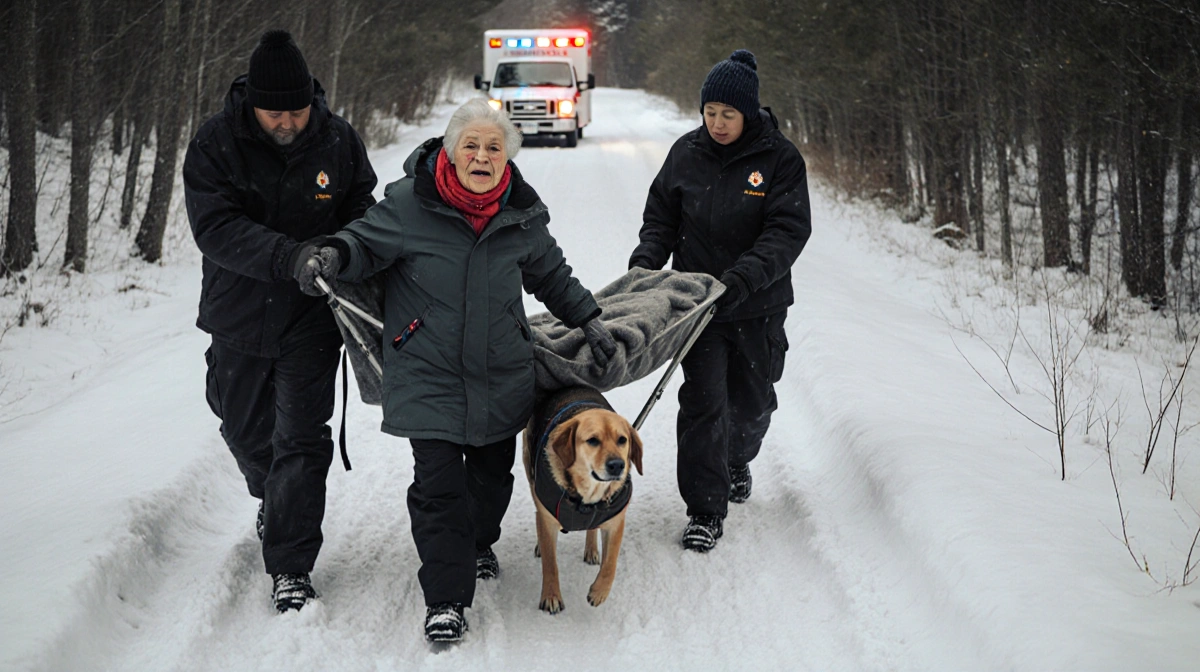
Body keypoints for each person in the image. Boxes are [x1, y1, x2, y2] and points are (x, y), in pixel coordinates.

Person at [294, 98, 617, 642]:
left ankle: (479, 541)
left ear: (507, 159)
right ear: (450, 150)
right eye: (471, 145)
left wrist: (589, 319)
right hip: (427, 372)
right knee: (438, 488)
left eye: (494, 148)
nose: (482, 156)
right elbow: (361, 244)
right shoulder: (407, 205)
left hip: (500, 373)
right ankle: (446, 599)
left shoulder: (521, 214)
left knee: (490, 482)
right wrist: (330, 256)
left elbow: (553, 276)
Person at [184, 30, 378, 612]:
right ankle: (272, 492)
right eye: (276, 112)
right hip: (238, 312)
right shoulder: (216, 143)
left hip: (312, 317)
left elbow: (363, 212)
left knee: (300, 439)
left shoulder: (338, 139)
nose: (288, 121)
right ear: (253, 104)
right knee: (244, 431)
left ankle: (291, 565)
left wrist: (339, 251)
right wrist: (286, 255)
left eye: (296, 110)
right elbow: (214, 227)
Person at [628, 49, 811, 553]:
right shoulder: (686, 152)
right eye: (710, 112)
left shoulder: (780, 159)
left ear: (748, 112)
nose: (717, 123)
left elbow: (788, 230)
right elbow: (660, 217)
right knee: (704, 403)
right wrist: (646, 265)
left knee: (750, 406)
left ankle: (738, 459)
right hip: (697, 304)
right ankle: (705, 510)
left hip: (757, 304)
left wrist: (742, 278)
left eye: (728, 114)